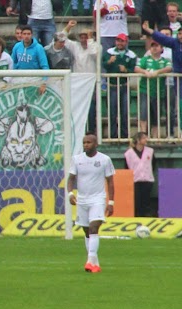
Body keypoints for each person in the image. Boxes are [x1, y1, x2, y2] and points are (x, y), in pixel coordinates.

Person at [67, 133, 115, 273]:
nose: (86, 145)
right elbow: (71, 179)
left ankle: (89, 260)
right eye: (84, 142)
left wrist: (111, 202)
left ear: (96, 144)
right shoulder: (77, 159)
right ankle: (95, 264)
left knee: (94, 227)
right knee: (87, 231)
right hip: (82, 199)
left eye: (89, 142)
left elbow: (110, 181)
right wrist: (71, 193)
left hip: (98, 199)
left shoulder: (105, 160)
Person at [102, 33, 136, 139]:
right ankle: (113, 136)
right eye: (118, 41)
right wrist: (109, 62)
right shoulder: (109, 52)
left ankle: (125, 135)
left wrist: (126, 70)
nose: (120, 43)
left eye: (122, 41)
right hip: (112, 86)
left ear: (126, 42)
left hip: (124, 86)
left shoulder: (131, 54)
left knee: (124, 112)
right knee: (112, 112)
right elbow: (104, 65)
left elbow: (133, 69)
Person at [135, 40, 171, 137]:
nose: (154, 48)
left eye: (157, 46)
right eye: (152, 46)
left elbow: (169, 68)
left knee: (156, 115)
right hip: (145, 90)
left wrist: (158, 72)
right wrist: (145, 72)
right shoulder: (145, 59)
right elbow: (137, 68)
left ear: (161, 48)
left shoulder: (164, 61)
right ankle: (143, 136)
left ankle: (155, 137)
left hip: (159, 91)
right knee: (143, 113)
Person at [124, 132, 156, 217]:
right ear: (138, 140)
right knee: (137, 201)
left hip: (147, 180)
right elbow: (126, 167)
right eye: (144, 138)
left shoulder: (150, 151)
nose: (146, 140)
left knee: (146, 201)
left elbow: (153, 164)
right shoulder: (128, 153)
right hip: (135, 180)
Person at [11, 25, 49, 94]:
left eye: (28, 34)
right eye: (24, 34)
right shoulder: (17, 46)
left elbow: (45, 66)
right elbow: (12, 62)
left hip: (34, 78)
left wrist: (44, 82)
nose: (26, 36)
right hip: (19, 78)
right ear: (21, 35)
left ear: (32, 35)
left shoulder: (38, 48)